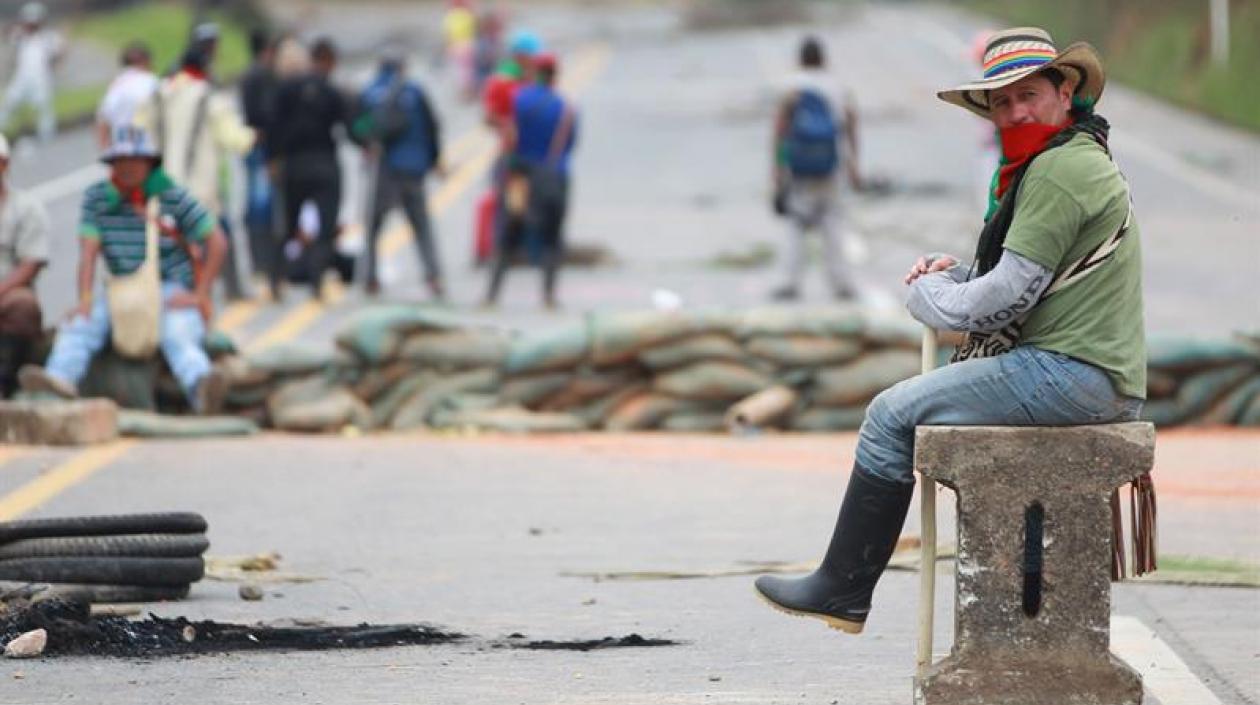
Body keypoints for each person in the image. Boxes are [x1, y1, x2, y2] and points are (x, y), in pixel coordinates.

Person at [754, 28, 1145, 634]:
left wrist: (927, 294)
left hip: (1071, 372)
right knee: (911, 408)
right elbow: (1029, 279)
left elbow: (999, 303)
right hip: (1080, 367)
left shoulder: (1059, 170)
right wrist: (958, 273)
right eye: (1002, 102)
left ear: (1064, 91)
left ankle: (842, 588)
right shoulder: (1064, 158)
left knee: (889, 413)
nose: (1017, 111)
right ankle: (857, 590)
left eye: (1030, 95)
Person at [18, 126, 229, 414]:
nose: (127, 168)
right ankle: (57, 383)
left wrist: (200, 293)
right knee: (80, 328)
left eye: (134, 160)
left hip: (170, 289)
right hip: (120, 291)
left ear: (149, 163)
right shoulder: (98, 199)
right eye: (120, 161)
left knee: (178, 336)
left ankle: (201, 388)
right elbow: (88, 253)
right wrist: (85, 300)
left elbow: (216, 241)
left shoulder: (172, 196)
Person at [139, 48, 255, 301]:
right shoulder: (208, 97)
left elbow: (138, 133)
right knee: (212, 245)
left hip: (161, 189)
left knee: (170, 251)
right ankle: (209, 298)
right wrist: (254, 137)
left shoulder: (158, 96)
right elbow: (235, 139)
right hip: (200, 191)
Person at [484, 52, 577, 309]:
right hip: (554, 177)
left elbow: (501, 128)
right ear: (555, 76)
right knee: (552, 238)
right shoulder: (567, 108)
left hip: (520, 179)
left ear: (535, 73)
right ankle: (548, 295)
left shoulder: (518, 100)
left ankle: (492, 294)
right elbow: (570, 144)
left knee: (508, 235)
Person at [770, 37, 861, 302]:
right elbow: (851, 125)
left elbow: (780, 129)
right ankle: (841, 283)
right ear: (823, 59)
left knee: (796, 224)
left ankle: (788, 282)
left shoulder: (791, 86)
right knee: (833, 223)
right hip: (832, 166)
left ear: (800, 59)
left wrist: (777, 166)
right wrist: (854, 164)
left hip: (799, 168)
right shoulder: (838, 86)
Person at [355, 49, 445, 298]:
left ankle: (370, 277)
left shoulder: (371, 92)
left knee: (373, 227)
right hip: (413, 169)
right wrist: (434, 159)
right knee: (421, 225)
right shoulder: (414, 92)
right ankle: (433, 276)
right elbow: (432, 126)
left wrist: (367, 146)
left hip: (384, 169)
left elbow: (358, 126)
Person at [268, 38, 349, 301]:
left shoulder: (285, 89)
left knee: (288, 225)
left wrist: (272, 159)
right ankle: (316, 281)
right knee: (325, 227)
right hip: (324, 162)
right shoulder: (330, 89)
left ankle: (276, 280)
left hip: (293, 165)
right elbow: (349, 123)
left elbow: (273, 127)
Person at [0, 134, 48, 397]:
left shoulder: (25, 207)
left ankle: (6, 382)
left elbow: (31, 263)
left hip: (8, 291)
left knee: (23, 306)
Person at [239, 29, 278, 282]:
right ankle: (265, 262)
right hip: (264, 146)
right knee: (264, 206)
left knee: (254, 204)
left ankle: (257, 261)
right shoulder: (265, 76)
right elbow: (266, 113)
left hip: (251, 144)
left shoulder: (245, 76)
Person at [0, 2, 63, 142]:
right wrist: (17, 26)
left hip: (42, 78)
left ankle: (47, 136)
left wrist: (56, 63)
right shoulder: (21, 36)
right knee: (9, 103)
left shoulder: (49, 37)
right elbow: (6, 34)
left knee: (44, 108)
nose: (31, 25)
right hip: (22, 77)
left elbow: (58, 55)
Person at [95, 41, 157, 151]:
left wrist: (104, 151)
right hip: (148, 152)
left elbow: (103, 121)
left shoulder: (114, 86)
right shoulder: (151, 81)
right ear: (145, 61)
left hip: (119, 153)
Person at [442, 0, 478, 101]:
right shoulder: (466, 14)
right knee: (467, 71)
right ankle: (468, 90)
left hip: (458, 45)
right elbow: (475, 29)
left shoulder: (451, 15)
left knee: (461, 71)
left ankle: (465, 91)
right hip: (467, 44)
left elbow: (447, 33)